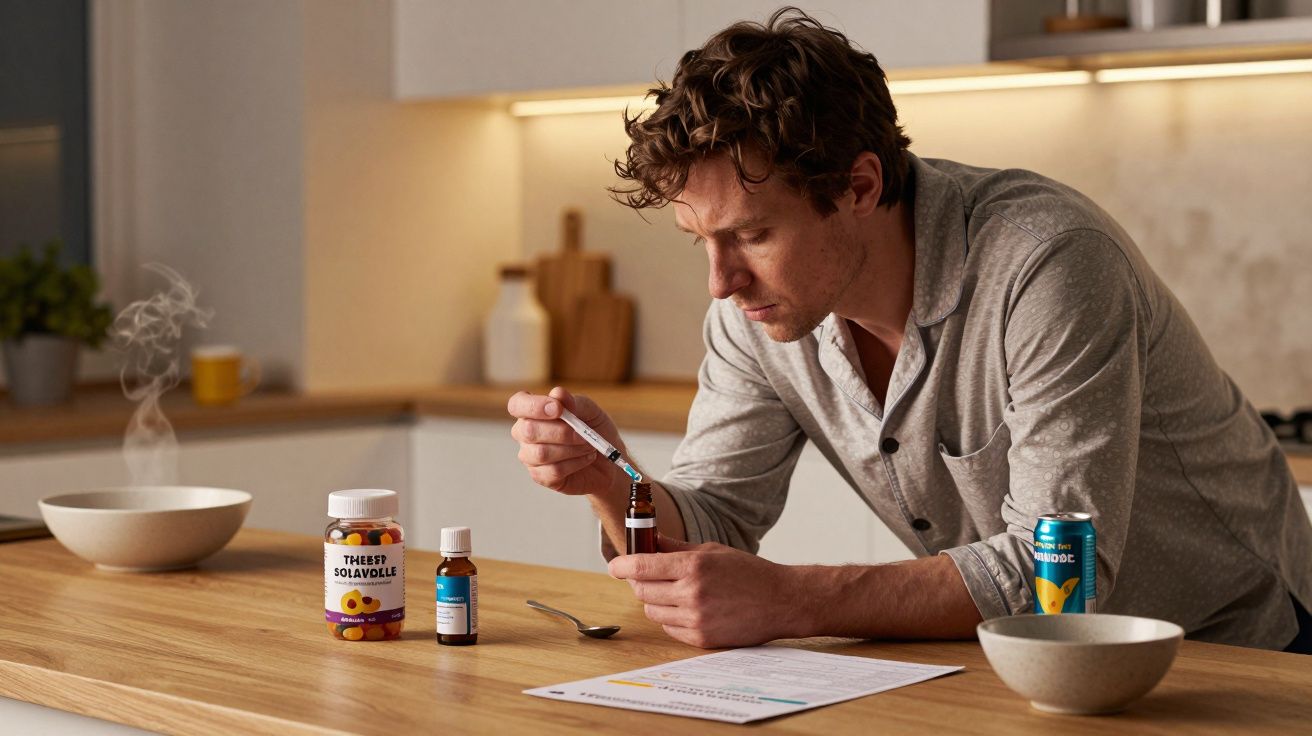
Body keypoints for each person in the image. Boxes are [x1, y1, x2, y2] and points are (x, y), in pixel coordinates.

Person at [506, 8, 1312, 652]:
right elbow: (718, 516)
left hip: (1236, 647)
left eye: (751, 235)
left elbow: (1058, 571)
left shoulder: (1048, 263)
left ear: (859, 184)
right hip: (1028, 659)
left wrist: (792, 598)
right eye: (701, 243)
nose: (720, 282)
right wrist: (615, 487)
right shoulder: (754, 314)